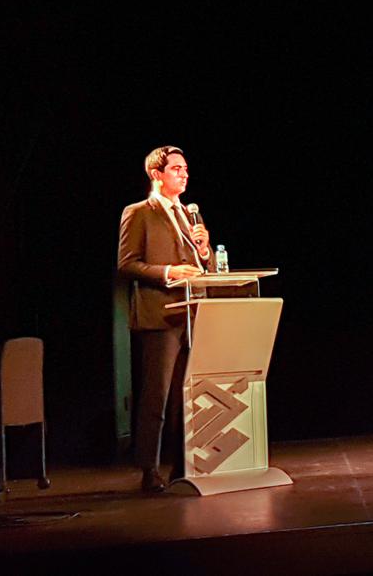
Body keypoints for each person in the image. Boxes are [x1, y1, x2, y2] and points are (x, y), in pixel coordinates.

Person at [117, 146, 215, 492]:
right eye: (176, 168)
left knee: (187, 396)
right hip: (161, 315)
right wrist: (169, 271)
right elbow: (127, 264)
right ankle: (149, 469)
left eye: (185, 168)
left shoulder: (190, 215)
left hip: (192, 313)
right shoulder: (139, 213)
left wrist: (204, 250)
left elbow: (206, 265)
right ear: (156, 174)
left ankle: (183, 466)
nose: (184, 174)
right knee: (156, 396)